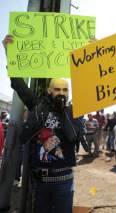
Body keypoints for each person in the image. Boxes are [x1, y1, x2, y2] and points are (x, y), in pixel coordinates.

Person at [3, 34, 86, 213]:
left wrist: (93, 53)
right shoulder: (38, 105)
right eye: (57, 89)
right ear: (49, 90)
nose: (61, 92)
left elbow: (91, 86)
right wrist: (9, 53)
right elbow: (18, 84)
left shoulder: (74, 111)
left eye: (65, 89)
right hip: (40, 182)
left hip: (64, 181)